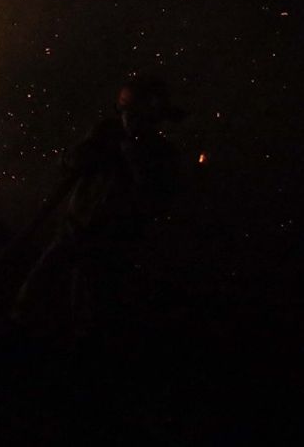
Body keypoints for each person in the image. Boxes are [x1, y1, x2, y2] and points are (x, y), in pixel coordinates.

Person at [13, 75, 185, 337]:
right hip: (74, 231)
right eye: (127, 113)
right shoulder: (106, 133)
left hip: (110, 243)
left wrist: (134, 159)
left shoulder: (162, 154)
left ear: (153, 117)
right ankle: (17, 339)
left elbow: (157, 199)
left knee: (89, 309)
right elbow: (68, 163)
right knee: (34, 291)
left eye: (137, 115)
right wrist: (88, 152)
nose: (131, 121)